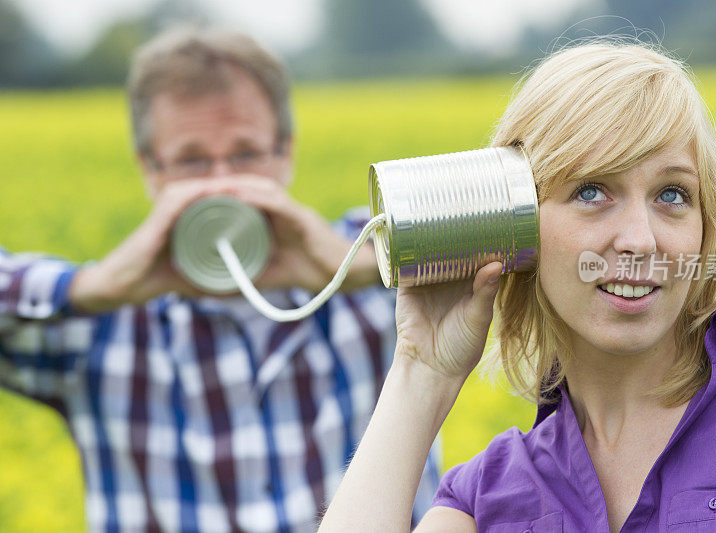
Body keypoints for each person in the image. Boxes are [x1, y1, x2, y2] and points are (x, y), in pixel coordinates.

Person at [319, 39, 716, 532]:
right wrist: (421, 372)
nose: (639, 241)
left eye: (672, 194)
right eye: (591, 191)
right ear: (515, 222)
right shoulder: (487, 498)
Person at [0, 28, 440, 532]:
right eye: (191, 160)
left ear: (285, 153)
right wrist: (91, 288)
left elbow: (521, 226)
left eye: (247, 154)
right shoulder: (99, 323)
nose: (221, 184)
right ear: (149, 169)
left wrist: (352, 268)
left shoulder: (380, 267)